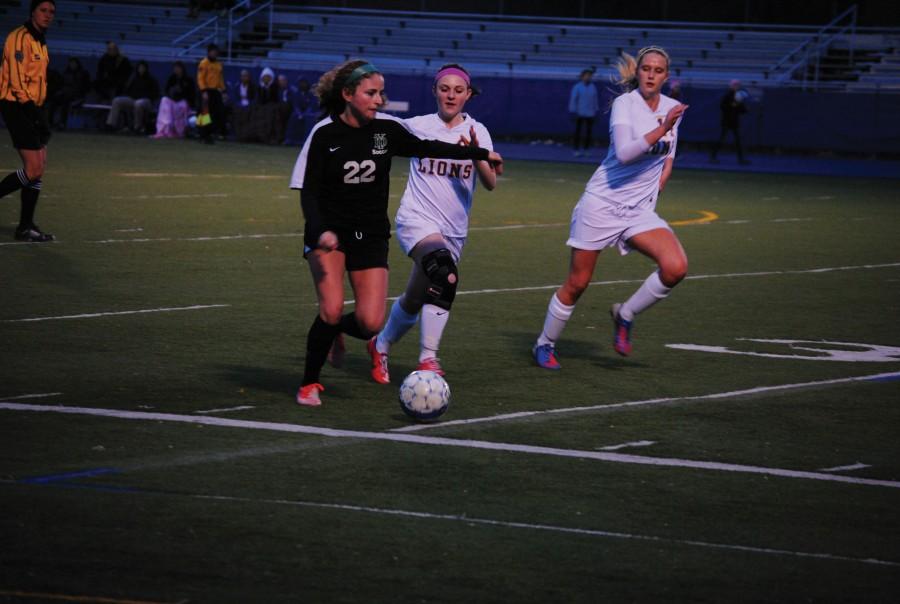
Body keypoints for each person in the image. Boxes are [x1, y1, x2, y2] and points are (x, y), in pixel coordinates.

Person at [288, 59, 504, 407]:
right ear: (347, 94)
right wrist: (319, 230)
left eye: (381, 93)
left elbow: (429, 147)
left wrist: (480, 153)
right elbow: (308, 191)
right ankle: (309, 383)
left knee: (371, 322)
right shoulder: (324, 133)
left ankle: (338, 333)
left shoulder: (385, 130)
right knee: (329, 309)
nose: (379, 100)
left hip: (371, 233)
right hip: (332, 232)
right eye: (371, 93)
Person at [533, 46, 688, 368]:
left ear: (666, 77)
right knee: (577, 283)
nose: (651, 74)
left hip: (637, 212)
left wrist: (663, 175)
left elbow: (670, 152)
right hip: (602, 204)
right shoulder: (624, 104)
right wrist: (662, 128)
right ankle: (545, 344)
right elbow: (624, 153)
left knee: (676, 267)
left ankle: (625, 314)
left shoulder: (674, 108)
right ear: (638, 72)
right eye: (646, 68)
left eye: (658, 70)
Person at [369, 63, 497, 383]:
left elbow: (491, 182)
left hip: (453, 230)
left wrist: (476, 155)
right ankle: (429, 359)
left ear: (468, 94)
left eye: (458, 90)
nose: (450, 95)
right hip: (417, 219)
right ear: (434, 91)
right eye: (444, 88)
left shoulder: (477, 131)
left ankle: (380, 344)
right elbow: (378, 129)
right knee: (444, 273)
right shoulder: (417, 126)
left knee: (416, 298)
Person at [0, 0, 56, 242]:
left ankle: (25, 226)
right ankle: (24, 226)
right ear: (32, 12)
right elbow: (16, 81)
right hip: (16, 106)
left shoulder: (40, 42)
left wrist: (41, 112)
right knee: (33, 168)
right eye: (43, 10)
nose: (48, 15)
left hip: (33, 108)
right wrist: (34, 114)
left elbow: (39, 81)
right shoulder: (18, 37)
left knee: (38, 168)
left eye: (52, 12)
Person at [106, 60, 159, 134]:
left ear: (146, 68)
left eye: (143, 67)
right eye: (139, 67)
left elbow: (155, 93)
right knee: (116, 100)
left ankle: (137, 127)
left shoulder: (151, 79)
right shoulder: (133, 78)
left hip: (146, 101)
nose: (141, 69)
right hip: (133, 99)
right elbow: (127, 90)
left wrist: (146, 97)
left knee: (138, 103)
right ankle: (110, 124)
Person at [710, 79, 749, 164]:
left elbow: (743, 110)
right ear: (731, 86)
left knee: (738, 141)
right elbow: (723, 107)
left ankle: (741, 159)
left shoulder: (739, 96)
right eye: (734, 85)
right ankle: (713, 157)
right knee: (721, 140)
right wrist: (733, 104)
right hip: (727, 122)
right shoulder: (727, 96)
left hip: (734, 122)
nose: (736, 86)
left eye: (737, 85)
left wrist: (739, 104)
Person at [153, 60, 195, 139]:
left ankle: (180, 130)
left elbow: (191, 94)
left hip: (183, 102)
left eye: (178, 68)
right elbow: (166, 91)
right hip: (172, 102)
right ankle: (166, 126)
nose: (177, 70)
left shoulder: (188, 80)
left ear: (182, 69)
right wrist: (172, 92)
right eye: (175, 68)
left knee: (184, 105)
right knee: (164, 100)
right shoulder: (171, 78)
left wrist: (181, 92)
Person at [46, 56, 90, 130]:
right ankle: (50, 122)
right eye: (71, 63)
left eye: (74, 63)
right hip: (65, 94)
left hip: (76, 96)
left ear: (77, 64)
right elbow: (61, 84)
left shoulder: (83, 74)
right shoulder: (66, 73)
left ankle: (62, 123)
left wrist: (80, 94)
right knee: (53, 101)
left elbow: (85, 87)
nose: (72, 65)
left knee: (65, 103)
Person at [196, 43, 226, 141]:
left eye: (216, 52)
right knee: (205, 113)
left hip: (215, 91)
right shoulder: (204, 63)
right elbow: (200, 78)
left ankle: (210, 132)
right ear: (209, 52)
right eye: (213, 52)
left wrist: (223, 90)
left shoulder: (218, 64)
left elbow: (220, 78)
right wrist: (203, 91)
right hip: (206, 90)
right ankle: (203, 133)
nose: (214, 53)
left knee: (216, 112)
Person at [568, 68, 599, 157]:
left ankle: (586, 149)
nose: (588, 77)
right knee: (578, 132)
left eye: (589, 76)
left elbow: (595, 100)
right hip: (579, 113)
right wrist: (573, 111)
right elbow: (573, 100)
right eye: (586, 76)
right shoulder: (577, 87)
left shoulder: (593, 87)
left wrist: (596, 111)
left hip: (590, 114)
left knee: (588, 133)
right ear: (582, 77)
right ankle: (576, 149)